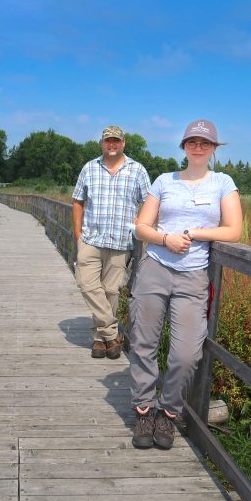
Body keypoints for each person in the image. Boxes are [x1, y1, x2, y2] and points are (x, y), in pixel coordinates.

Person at [128, 119, 242, 449]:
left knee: (186, 354)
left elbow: (233, 230)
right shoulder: (164, 181)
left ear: (214, 148)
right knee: (143, 342)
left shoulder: (223, 183)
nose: (198, 147)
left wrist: (193, 234)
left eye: (205, 143)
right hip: (155, 268)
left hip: (193, 276)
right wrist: (165, 238)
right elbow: (141, 227)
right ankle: (144, 410)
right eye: (192, 141)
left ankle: (169, 412)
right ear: (183, 146)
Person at [72, 126, 150, 360]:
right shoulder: (89, 168)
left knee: (111, 292)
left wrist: (142, 219)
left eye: (116, 141)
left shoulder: (137, 170)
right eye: (108, 141)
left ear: (123, 143)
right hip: (91, 239)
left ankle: (99, 339)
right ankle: (112, 332)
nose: (112, 144)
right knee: (86, 284)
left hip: (121, 241)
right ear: (102, 143)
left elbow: (150, 201)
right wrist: (78, 235)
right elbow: (78, 201)